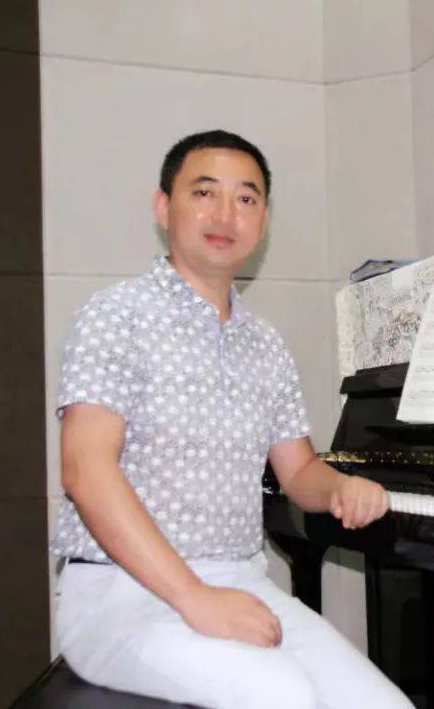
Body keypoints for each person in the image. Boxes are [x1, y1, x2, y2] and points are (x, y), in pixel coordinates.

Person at [50, 130, 415, 709]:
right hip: (119, 593)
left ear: (263, 219)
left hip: (242, 584)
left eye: (246, 198)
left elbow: (299, 472)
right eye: (204, 192)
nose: (226, 214)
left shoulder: (265, 343)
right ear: (163, 206)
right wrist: (193, 597)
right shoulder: (115, 316)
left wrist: (340, 487)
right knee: (281, 695)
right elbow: (85, 471)